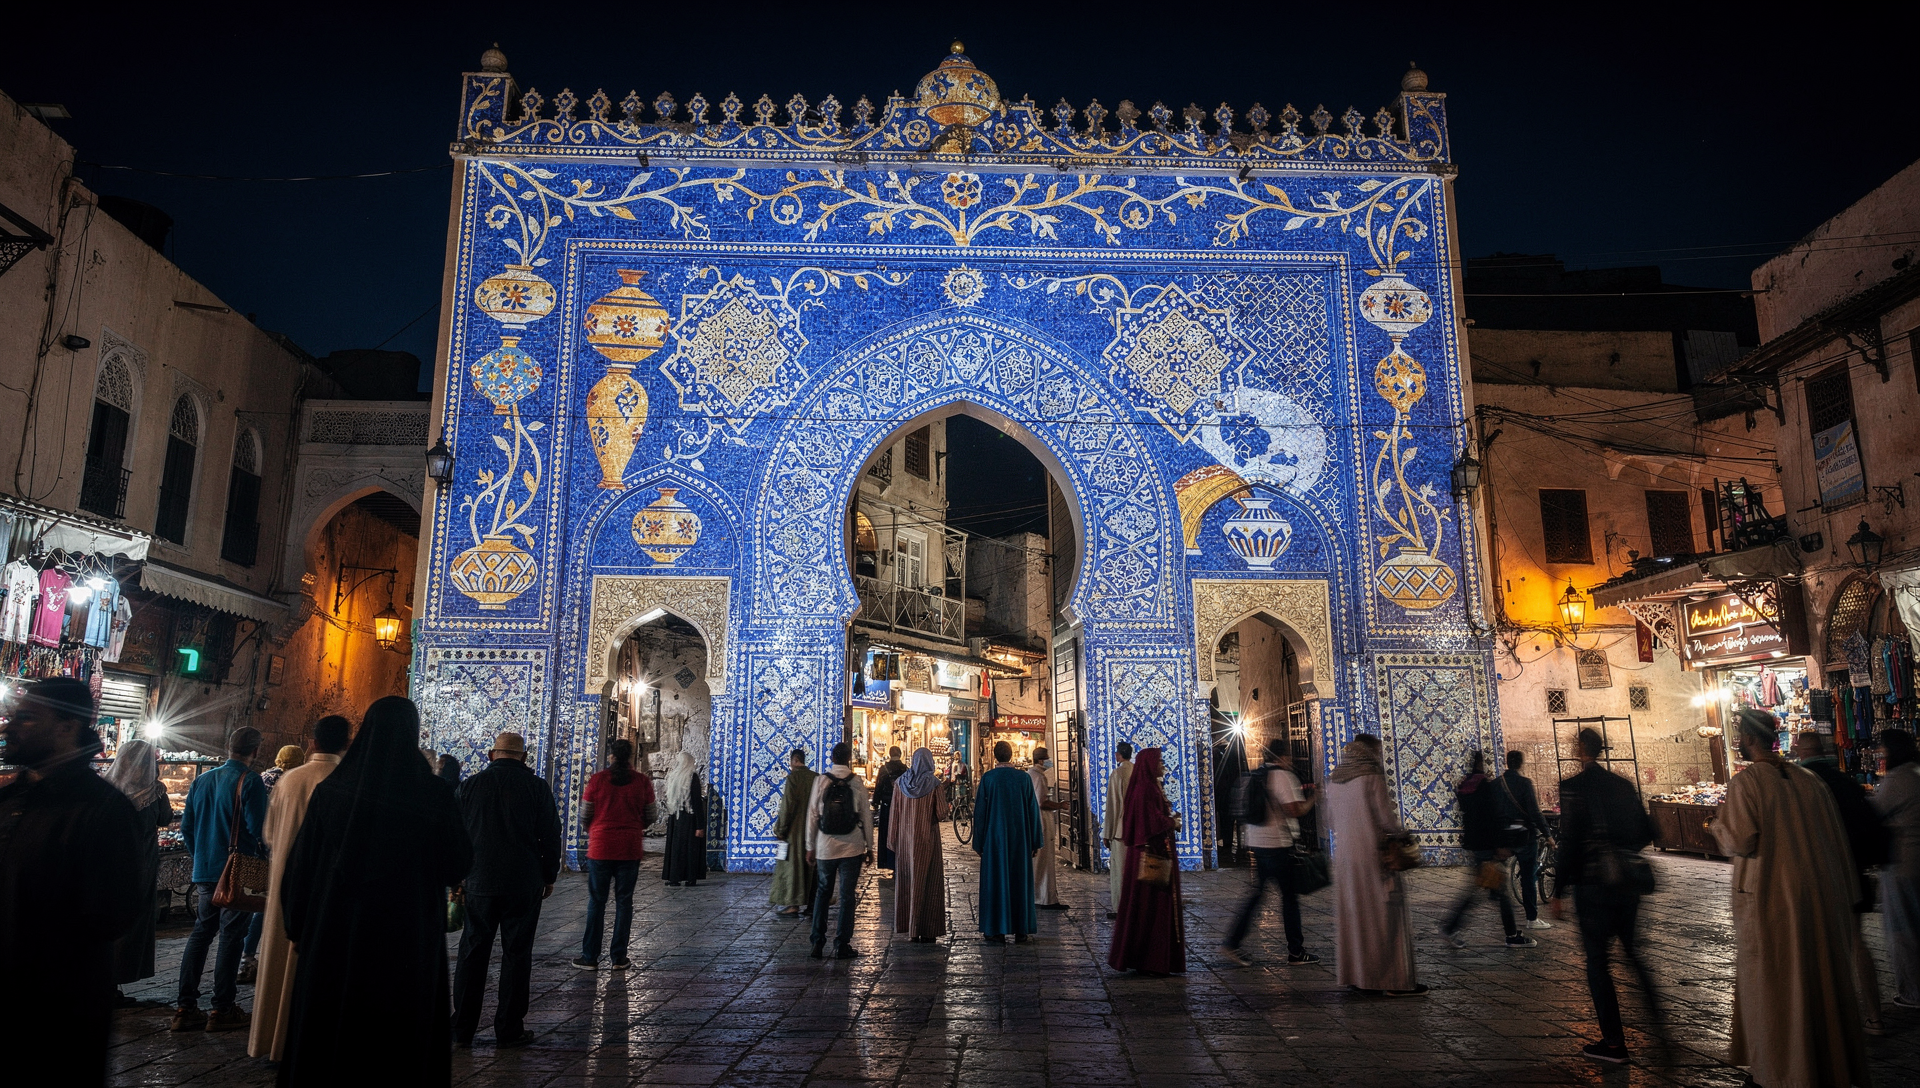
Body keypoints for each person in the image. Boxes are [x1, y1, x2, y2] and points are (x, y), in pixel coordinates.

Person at [277, 697, 471, 1083]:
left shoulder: (332, 791)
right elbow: (457, 864)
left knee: (333, 1030)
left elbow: (301, 869)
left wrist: (299, 928)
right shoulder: (433, 794)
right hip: (407, 937)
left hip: (335, 933)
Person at [1711, 708, 1869, 1088]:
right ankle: (1822, 1064)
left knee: (1777, 988)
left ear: (1749, 740)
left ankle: (1782, 1070)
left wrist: (1716, 823)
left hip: (1772, 904)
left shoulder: (1748, 784)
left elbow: (1739, 840)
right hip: (1819, 899)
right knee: (1819, 984)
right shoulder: (1811, 780)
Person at [0, 678, 146, 1086]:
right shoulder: (11, 800)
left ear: (66, 728)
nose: (10, 728)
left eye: (27, 719)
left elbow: (111, 914)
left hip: (53, 1022)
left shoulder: (104, 812)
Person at [1549, 726, 1662, 1065]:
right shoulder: (1622, 785)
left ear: (1580, 749)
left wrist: (1558, 890)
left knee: (1598, 964)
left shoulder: (1572, 788)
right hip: (1626, 885)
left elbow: (1568, 844)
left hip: (1593, 886)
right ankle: (1659, 1023)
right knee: (1633, 954)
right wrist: (1620, 852)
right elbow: (1647, 831)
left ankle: (1613, 1043)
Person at [247, 715, 349, 1061]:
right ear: (346, 744)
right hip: (325, 889)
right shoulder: (346, 781)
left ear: (313, 742)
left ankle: (271, 1042)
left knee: (278, 957)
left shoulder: (290, 780)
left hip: (283, 884)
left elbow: (270, 835)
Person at [452, 731, 561, 1048]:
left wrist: (458, 877)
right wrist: (548, 875)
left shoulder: (469, 786)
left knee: (472, 954)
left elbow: (456, 834)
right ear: (524, 757)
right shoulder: (536, 787)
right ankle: (509, 1028)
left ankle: (462, 1028)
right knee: (516, 954)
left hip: (479, 882)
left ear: (490, 755)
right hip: (523, 883)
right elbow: (550, 836)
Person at [1794, 730, 1890, 1033]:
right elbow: (1871, 827)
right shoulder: (1846, 783)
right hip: (1852, 872)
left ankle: (1825, 1020)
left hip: (1817, 876)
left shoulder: (1798, 785)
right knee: (1856, 943)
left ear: (1799, 750)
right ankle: (1874, 1016)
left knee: (1814, 948)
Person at [173, 724, 267, 1033]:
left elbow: (187, 827)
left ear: (229, 747)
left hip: (205, 870)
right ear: (255, 751)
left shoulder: (202, 780)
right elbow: (258, 829)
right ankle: (222, 1009)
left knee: (201, 933)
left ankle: (185, 1007)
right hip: (235, 871)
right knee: (231, 936)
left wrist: (201, 855)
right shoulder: (250, 781)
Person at [1327, 734, 1423, 996]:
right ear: (1369, 751)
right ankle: (1392, 982)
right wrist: (1403, 836)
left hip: (1346, 860)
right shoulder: (1371, 777)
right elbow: (1387, 820)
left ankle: (1359, 977)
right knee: (1384, 919)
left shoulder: (1334, 780)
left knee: (1355, 918)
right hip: (1373, 857)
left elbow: (1331, 823)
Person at [1218, 738, 1316, 967]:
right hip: (1278, 845)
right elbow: (1294, 809)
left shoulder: (1252, 775)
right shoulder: (1283, 776)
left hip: (1257, 843)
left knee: (1257, 895)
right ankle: (1296, 951)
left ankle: (1232, 942)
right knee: (1289, 898)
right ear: (1283, 756)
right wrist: (1313, 799)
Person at [574, 738, 656, 970]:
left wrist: (595, 829)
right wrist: (634, 827)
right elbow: (651, 814)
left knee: (597, 903)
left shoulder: (598, 780)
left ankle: (589, 956)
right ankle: (618, 957)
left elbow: (585, 814)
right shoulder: (641, 781)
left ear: (611, 756)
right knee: (624, 903)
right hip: (629, 848)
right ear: (629, 757)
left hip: (600, 847)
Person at [1439, 750, 1534, 948]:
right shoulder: (1485, 786)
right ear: (1483, 764)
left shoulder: (1465, 786)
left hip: (1474, 844)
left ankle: (1451, 927)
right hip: (1488, 847)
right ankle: (1510, 936)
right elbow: (1492, 817)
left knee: (1485, 890)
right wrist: (1500, 844)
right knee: (1496, 891)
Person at [106, 737, 173, 1004]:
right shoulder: (153, 792)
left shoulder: (107, 788)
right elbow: (166, 818)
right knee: (130, 926)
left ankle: (104, 984)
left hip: (108, 867)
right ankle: (113, 985)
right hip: (139, 868)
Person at [1109, 748, 1185, 974]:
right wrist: (1171, 823)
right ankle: (1150, 958)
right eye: (1160, 762)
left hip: (1154, 853)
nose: (1163, 766)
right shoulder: (1145, 789)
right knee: (1150, 908)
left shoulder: (1149, 786)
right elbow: (1148, 822)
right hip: (1150, 855)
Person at [240, 744, 306, 985]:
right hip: (280, 852)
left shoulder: (262, 777)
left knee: (257, 904)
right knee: (268, 906)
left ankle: (247, 956)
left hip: (259, 850)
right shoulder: (295, 780)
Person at [807, 741, 874, 958]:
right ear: (849, 760)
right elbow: (866, 816)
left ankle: (817, 942)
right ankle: (841, 944)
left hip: (826, 847)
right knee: (847, 896)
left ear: (833, 759)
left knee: (823, 893)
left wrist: (810, 846)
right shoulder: (857, 783)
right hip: (852, 848)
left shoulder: (821, 780)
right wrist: (870, 847)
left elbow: (813, 816)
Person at [973, 739, 1043, 943]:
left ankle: (996, 929)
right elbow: (1033, 811)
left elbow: (980, 814)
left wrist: (979, 842)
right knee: (1019, 881)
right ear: (1011, 755)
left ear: (995, 756)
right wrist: (1035, 840)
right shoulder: (1023, 779)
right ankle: (1021, 928)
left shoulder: (988, 779)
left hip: (994, 841)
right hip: (1020, 840)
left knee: (995, 882)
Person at [1872, 728, 1920, 1014]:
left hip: (1903, 862)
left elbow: (1875, 812)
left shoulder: (1898, 779)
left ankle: (1912, 992)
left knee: (1903, 929)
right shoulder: (1915, 773)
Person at [889, 746, 949, 941]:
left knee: (907, 882)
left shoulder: (900, 783)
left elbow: (894, 816)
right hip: (927, 842)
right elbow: (941, 814)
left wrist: (893, 841)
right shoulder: (935, 784)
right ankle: (927, 929)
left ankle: (909, 927)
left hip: (905, 844)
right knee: (929, 883)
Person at [1501, 750, 1554, 930]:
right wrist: (1547, 834)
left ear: (1507, 763)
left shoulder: (1496, 784)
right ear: (1521, 763)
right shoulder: (1525, 783)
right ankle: (1532, 918)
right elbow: (1535, 812)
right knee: (1528, 877)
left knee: (1498, 880)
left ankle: (1508, 922)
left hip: (1504, 836)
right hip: (1525, 836)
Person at [770, 748, 818, 917]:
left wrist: (780, 829)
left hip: (794, 832)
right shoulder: (815, 777)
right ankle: (812, 904)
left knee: (792, 868)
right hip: (813, 831)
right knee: (811, 868)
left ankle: (793, 904)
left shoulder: (793, 778)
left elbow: (787, 806)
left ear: (794, 760)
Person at [1028, 746, 1068, 910]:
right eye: (1046, 757)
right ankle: (1044, 898)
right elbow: (1042, 802)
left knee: (1040, 863)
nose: (1049, 760)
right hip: (1041, 823)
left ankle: (1042, 896)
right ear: (1040, 760)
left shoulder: (1031, 775)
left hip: (1037, 822)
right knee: (1043, 862)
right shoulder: (1037, 776)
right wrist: (1059, 805)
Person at [661, 751, 708, 886]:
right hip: (690, 818)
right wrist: (700, 825)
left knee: (676, 849)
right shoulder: (691, 777)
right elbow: (696, 802)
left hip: (676, 817)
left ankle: (674, 877)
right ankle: (690, 877)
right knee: (690, 849)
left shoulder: (673, 776)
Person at [1103, 742, 1134, 919]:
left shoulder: (1118, 773)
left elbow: (1113, 805)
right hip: (1135, 829)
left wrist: (1107, 833)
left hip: (1120, 830)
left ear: (1118, 755)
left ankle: (1121, 908)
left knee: (1119, 871)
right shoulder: (1137, 771)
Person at [872, 745, 909, 873]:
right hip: (901, 808)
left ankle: (887, 861)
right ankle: (900, 863)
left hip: (887, 806)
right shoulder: (905, 769)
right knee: (900, 834)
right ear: (900, 754)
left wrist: (875, 802)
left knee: (886, 834)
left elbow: (878, 786)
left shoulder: (884, 769)